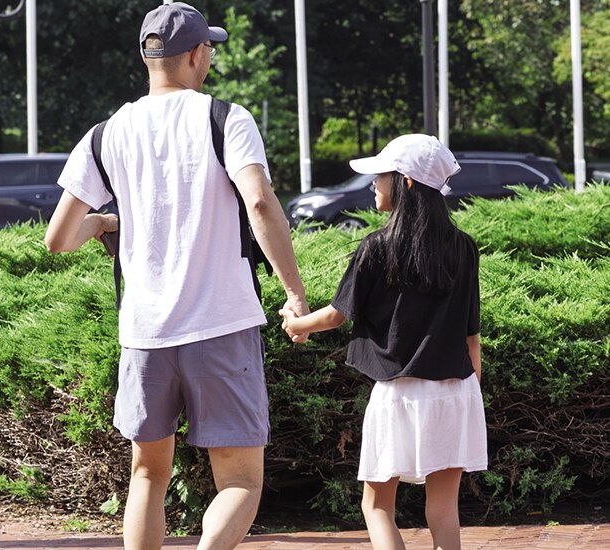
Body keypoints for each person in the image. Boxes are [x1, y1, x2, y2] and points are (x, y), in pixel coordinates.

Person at [45, 3, 308, 548]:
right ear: (196, 54)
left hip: (144, 333)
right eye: (208, 46)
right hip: (222, 322)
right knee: (239, 481)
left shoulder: (105, 133)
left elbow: (58, 240)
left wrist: (103, 224)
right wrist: (293, 292)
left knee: (147, 476)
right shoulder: (226, 118)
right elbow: (259, 203)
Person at [279, 134, 487, 550]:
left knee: (377, 507)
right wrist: (472, 392)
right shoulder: (462, 247)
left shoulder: (377, 247)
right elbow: (471, 334)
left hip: (398, 394)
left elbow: (338, 314)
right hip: (456, 390)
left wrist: (298, 323)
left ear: (406, 182)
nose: (373, 183)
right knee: (444, 509)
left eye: (381, 175)